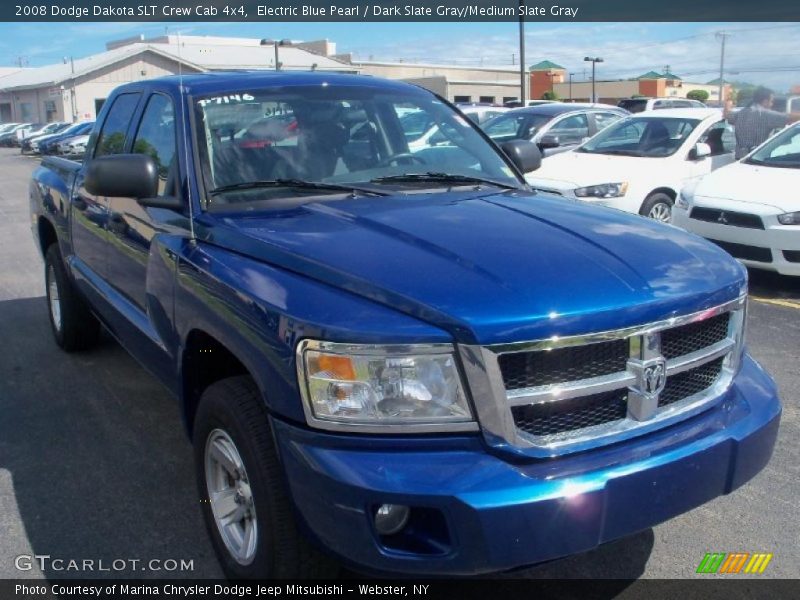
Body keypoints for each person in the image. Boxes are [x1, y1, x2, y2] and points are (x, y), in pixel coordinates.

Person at [725, 86, 800, 158]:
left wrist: (727, 103)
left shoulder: (740, 113)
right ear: (765, 101)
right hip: (757, 158)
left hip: (739, 157)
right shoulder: (765, 115)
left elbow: (728, 116)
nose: (772, 105)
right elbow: (788, 118)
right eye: (771, 101)